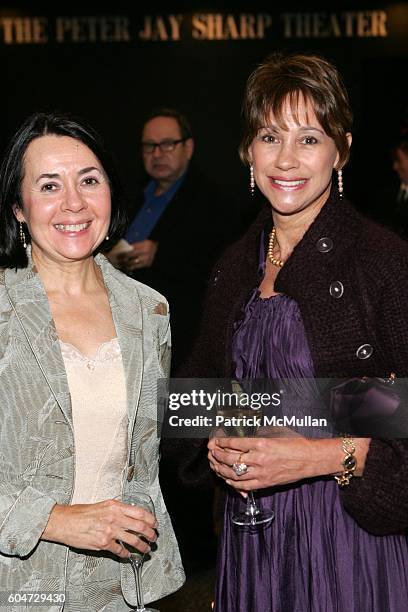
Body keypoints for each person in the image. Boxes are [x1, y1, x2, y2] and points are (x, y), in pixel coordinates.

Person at [182, 53, 408, 611]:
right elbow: (192, 400)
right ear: (246, 151)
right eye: (269, 136)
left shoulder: (382, 260)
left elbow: (405, 407)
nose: (286, 159)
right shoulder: (233, 266)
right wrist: (211, 440)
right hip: (252, 539)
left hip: (351, 544)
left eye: (309, 139)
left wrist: (318, 455)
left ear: (342, 151)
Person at [0, 112, 184, 610]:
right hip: (20, 585)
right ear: (19, 207)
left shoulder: (150, 310)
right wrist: (56, 519)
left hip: (122, 587)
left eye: (88, 180)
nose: (74, 203)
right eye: (49, 186)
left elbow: (144, 464)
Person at [107, 108, 233, 373]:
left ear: (188, 147)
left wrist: (161, 255)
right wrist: (111, 257)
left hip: (178, 339)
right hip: (124, 331)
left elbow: (220, 268)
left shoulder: (213, 202)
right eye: (150, 146)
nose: (157, 154)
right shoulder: (133, 195)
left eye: (167, 144)